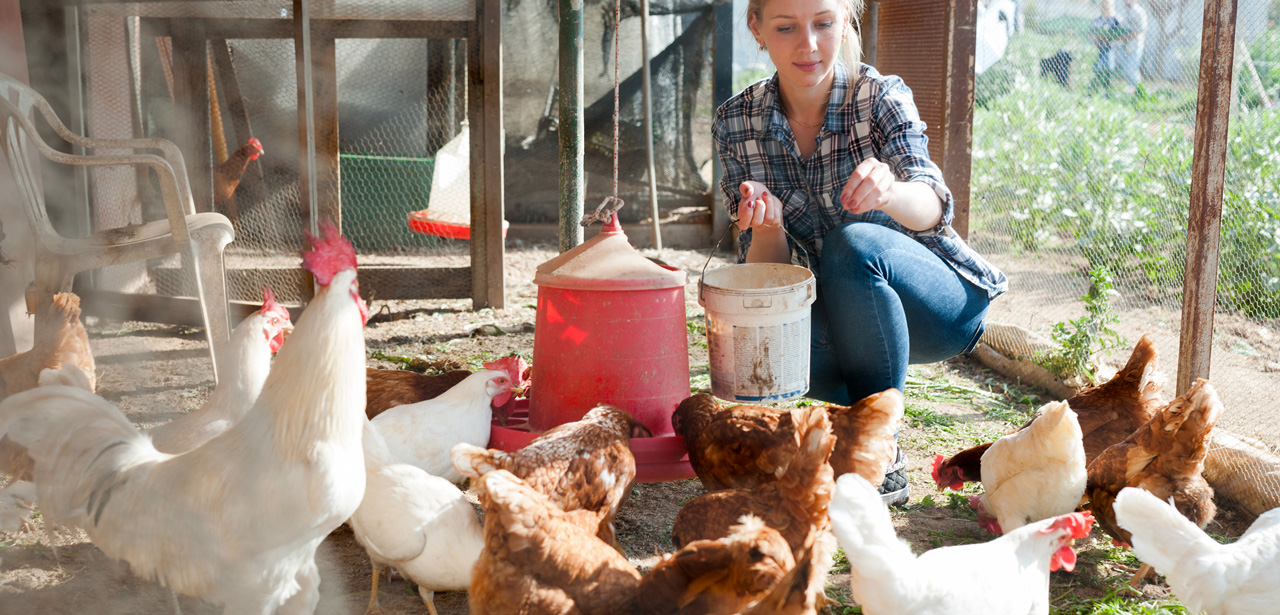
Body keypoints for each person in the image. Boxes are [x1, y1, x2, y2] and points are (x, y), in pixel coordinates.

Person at [712, 0, 1007, 504]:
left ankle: (880, 445)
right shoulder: (737, 120)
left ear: (847, 19)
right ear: (757, 29)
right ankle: (850, 421)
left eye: (824, 23)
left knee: (854, 245)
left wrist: (890, 191)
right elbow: (768, 275)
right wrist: (767, 228)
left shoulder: (878, 96)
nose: (809, 44)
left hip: (935, 308)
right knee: (759, 349)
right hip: (843, 328)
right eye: (787, 28)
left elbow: (933, 207)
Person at [1115, 0, 1147, 88]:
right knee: (1126, 69)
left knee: (1132, 69)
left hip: (1135, 44)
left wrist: (1126, 36)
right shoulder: (1126, 10)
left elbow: (1140, 30)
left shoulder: (1139, 11)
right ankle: (1132, 88)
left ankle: (1137, 89)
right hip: (1125, 45)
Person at [1089, 0, 1121, 87]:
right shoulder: (1098, 19)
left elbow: (1119, 35)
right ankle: (1096, 86)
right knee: (1098, 68)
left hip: (1111, 48)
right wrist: (1095, 38)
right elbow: (1092, 32)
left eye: (1108, 4)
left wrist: (1107, 37)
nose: (1106, 6)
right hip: (1098, 48)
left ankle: (1107, 87)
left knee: (1109, 68)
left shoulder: (1116, 20)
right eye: (1104, 4)